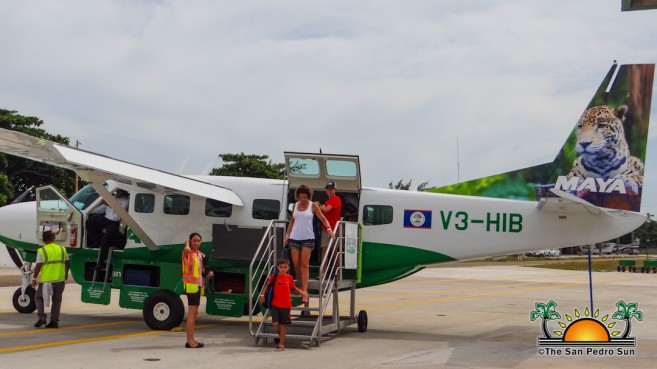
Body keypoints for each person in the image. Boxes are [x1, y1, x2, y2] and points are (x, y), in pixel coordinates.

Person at [285, 185, 334, 294]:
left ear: (308, 196)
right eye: (301, 197)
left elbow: (323, 218)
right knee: (296, 263)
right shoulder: (295, 206)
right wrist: (287, 235)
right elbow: (292, 221)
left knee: (304, 263)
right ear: (298, 196)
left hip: (308, 238)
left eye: (305, 197)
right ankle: (301, 285)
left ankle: (304, 290)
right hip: (294, 237)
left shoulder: (313, 206)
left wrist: (329, 228)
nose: (302, 199)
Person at [259, 257, 308, 351]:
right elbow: (267, 286)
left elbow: (294, 288)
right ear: (277, 267)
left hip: (286, 305)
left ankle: (281, 344)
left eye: (285, 267)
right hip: (275, 304)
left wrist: (302, 293)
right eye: (281, 267)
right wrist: (262, 295)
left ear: (288, 268)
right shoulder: (274, 277)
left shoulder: (289, 278)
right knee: (275, 323)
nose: (283, 269)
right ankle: (280, 332)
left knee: (282, 325)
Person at [32, 231, 70, 329]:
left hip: (46, 281)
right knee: (57, 301)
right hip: (60, 280)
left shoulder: (42, 251)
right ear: (54, 238)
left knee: (39, 298)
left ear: (43, 240)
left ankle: (42, 317)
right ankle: (54, 321)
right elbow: (67, 262)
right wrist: (65, 273)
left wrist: (34, 278)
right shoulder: (62, 249)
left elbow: (38, 266)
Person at [182, 232, 213, 348]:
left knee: (194, 314)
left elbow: (201, 270)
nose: (196, 243)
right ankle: (190, 341)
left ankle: (191, 339)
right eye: (194, 240)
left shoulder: (200, 254)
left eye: (198, 241)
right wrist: (186, 244)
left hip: (198, 285)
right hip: (191, 286)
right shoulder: (188, 253)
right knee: (191, 315)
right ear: (190, 241)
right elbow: (186, 250)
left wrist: (208, 273)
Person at [89, 189, 129, 270]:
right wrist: (91, 211)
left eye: (120, 191)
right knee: (90, 222)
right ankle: (95, 241)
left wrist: (107, 203)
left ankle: (101, 262)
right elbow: (102, 208)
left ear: (124, 192)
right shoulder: (113, 198)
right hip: (106, 218)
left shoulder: (126, 201)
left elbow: (119, 209)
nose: (117, 192)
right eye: (117, 190)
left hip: (115, 222)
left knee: (106, 239)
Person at [316, 181, 342, 277]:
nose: (329, 191)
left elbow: (327, 209)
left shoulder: (336, 199)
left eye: (331, 189)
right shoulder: (327, 202)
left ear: (335, 190)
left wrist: (318, 206)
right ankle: (323, 272)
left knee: (334, 250)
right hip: (325, 228)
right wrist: (320, 206)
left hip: (334, 228)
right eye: (328, 189)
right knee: (325, 249)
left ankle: (338, 272)